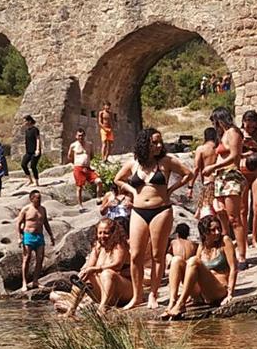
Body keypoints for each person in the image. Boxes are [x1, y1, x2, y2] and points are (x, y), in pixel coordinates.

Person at [114, 128, 194, 309]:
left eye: (160, 142)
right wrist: (133, 190)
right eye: (154, 142)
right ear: (145, 143)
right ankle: (136, 296)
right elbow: (118, 179)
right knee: (135, 255)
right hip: (138, 210)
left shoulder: (167, 161)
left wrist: (171, 189)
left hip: (161, 210)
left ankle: (154, 295)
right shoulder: (134, 163)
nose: (159, 146)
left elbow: (189, 173)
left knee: (158, 255)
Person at [163, 214, 238, 319]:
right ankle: (172, 302)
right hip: (200, 293)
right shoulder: (202, 246)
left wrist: (230, 293)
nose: (217, 232)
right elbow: (191, 268)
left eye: (218, 229)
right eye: (213, 230)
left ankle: (181, 303)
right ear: (204, 232)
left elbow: (233, 268)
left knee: (194, 260)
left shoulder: (225, 241)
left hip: (218, 290)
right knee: (176, 260)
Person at [200, 107, 249, 264]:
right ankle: (228, 251)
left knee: (234, 218)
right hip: (221, 178)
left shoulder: (233, 132)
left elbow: (235, 156)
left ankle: (242, 255)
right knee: (221, 216)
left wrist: (213, 167)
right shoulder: (223, 135)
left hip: (231, 176)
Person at [59, 218, 130, 316]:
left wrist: (96, 269)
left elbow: (118, 265)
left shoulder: (120, 245)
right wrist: (86, 271)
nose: (102, 236)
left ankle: (103, 306)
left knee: (107, 273)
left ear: (114, 233)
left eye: (106, 233)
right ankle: (71, 310)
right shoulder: (97, 247)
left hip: (123, 290)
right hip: (104, 290)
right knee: (84, 275)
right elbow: (90, 266)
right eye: (100, 233)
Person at [15, 190, 55, 291]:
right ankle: (24, 282)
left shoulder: (43, 209)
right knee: (27, 258)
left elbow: (46, 223)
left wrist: (51, 235)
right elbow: (18, 224)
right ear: (32, 199)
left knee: (40, 258)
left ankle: (35, 281)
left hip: (39, 236)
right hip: (28, 236)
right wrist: (19, 237)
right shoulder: (26, 209)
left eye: (40, 198)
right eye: (38, 198)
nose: (40, 200)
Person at [240, 110, 257, 247]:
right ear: (243, 121)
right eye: (248, 122)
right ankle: (244, 238)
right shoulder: (238, 134)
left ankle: (255, 238)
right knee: (243, 209)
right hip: (243, 172)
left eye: (253, 123)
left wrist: (256, 146)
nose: (250, 126)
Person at [67, 128, 100, 207]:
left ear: (84, 135)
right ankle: (80, 205)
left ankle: (98, 198)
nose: (80, 137)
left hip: (87, 168)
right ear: (76, 136)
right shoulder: (73, 145)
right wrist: (76, 163)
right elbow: (69, 156)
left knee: (99, 181)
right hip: (78, 168)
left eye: (82, 135)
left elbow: (92, 155)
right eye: (79, 135)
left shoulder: (89, 144)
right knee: (79, 187)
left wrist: (86, 162)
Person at [21, 115, 43, 187]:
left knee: (33, 166)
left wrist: (37, 149)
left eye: (25, 121)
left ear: (29, 121)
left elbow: (38, 139)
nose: (24, 122)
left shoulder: (35, 129)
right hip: (28, 152)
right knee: (23, 164)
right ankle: (30, 180)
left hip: (35, 151)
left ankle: (36, 182)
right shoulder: (27, 131)